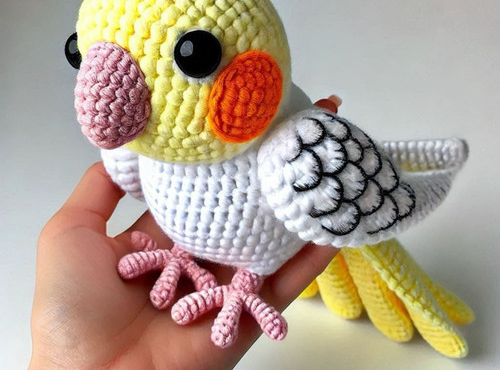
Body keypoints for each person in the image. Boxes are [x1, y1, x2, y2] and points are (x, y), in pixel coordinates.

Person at [29, 99, 342, 370]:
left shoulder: (285, 141)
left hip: (261, 244)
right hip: (182, 239)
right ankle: (185, 252)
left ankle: (245, 278)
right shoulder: (144, 136)